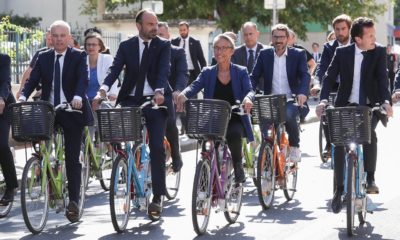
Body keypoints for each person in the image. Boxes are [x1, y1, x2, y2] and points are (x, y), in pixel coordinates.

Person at [92, 9, 171, 214]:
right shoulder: (127, 46)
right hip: (130, 100)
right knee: (120, 137)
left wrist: (160, 91)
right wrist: (102, 90)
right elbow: (114, 70)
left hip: (155, 101)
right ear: (139, 26)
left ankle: (158, 196)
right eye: (150, 24)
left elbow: (163, 70)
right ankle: (128, 170)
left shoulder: (163, 45)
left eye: (156, 24)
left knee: (156, 146)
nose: (155, 28)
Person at [315, 17, 393, 213]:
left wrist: (386, 102)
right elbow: (329, 76)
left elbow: (383, 79)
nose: (375, 39)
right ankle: (339, 189)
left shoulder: (378, 51)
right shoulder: (342, 53)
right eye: (370, 36)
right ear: (358, 39)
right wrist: (323, 100)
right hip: (346, 104)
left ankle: (371, 177)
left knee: (369, 136)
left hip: (369, 104)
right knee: (339, 144)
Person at [19, 20, 93, 222]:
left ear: (69, 38)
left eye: (63, 36)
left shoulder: (79, 56)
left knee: (71, 157)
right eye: (55, 36)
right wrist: (23, 96)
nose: (59, 39)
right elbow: (32, 81)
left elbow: (83, 79)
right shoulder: (43, 57)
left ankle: (74, 203)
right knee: (41, 147)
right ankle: (47, 172)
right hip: (50, 110)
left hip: (71, 110)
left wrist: (78, 96)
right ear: (50, 37)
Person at [176, 34, 254, 185]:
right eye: (217, 48)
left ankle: (238, 166)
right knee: (207, 143)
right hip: (212, 117)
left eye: (224, 48)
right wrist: (183, 94)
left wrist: (248, 98)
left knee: (234, 133)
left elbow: (250, 90)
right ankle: (206, 172)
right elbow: (193, 86)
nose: (219, 52)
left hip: (235, 116)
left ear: (232, 51)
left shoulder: (241, 71)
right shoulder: (208, 72)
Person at [250, 23, 310, 163]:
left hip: (290, 99)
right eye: (276, 36)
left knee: (288, 114)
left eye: (282, 37)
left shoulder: (298, 54)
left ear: (288, 38)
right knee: (267, 133)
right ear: (272, 38)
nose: (278, 40)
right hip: (270, 100)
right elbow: (254, 76)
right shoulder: (264, 54)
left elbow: (305, 75)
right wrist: (249, 93)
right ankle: (268, 155)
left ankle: (295, 146)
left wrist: (302, 93)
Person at [311, 14, 352, 157]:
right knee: (327, 112)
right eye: (337, 29)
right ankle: (329, 144)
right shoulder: (329, 47)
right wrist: (317, 84)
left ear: (349, 29)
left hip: (353, 85)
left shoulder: (357, 44)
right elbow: (322, 68)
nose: (340, 32)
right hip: (333, 85)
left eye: (343, 29)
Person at [157, 21, 188, 172]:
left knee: (169, 122)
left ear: (168, 36)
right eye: (155, 35)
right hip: (149, 95)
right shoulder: (148, 52)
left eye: (161, 35)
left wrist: (178, 90)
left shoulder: (177, 52)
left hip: (169, 95)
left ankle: (176, 155)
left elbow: (182, 73)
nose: (158, 38)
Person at [171, 21, 207, 135]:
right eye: (180, 30)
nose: (182, 32)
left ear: (188, 30)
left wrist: (204, 77)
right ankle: (182, 126)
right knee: (179, 101)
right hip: (179, 75)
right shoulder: (174, 42)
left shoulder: (195, 42)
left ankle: (191, 127)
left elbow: (202, 60)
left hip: (192, 75)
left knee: (191, 101)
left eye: (184, 30)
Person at [0, 53, 18, 206]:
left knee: (1, 145)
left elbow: (5, 82)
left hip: (3, 107)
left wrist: (1, 98)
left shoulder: (3, 58)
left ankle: (11, 187)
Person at [16, 28, 53, 99]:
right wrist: (21, 90)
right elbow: (29, 71)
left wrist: (45, 90)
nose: (50, 42)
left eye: (52, 39)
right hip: (40, 93)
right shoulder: (41, 53)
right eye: (48, 39)